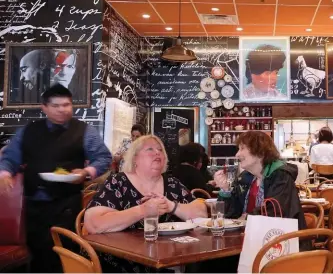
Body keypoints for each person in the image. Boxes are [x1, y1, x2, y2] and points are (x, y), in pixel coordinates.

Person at [0, 84, 112, 273]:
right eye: (56, 105)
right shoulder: (29, 130)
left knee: (65, 255)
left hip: (66, 205)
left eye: (66, 105)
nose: (62, 110)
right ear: (44, 108)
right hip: (34, 205)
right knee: (38, 256)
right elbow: (11, 157)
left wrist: (87, 172)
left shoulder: (84, 131)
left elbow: (103, 157)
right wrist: (5, 173)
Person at [84, 135, 207, 272]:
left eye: (160, 150)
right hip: (119, 263)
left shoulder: (172, 183)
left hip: (165, 261)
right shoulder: (118, 182)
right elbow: (93, 223)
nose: (157, 153)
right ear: (135, 158)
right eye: (150, 149)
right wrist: (143, 210)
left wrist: (171, 206)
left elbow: (201, 213)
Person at [213, 131, 306, 229]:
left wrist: (247, 217)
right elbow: (230, 214)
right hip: (248, 236)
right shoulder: (245, 178)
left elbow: (275, 211)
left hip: (279, 239)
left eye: (242, 148)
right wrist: (225, 189)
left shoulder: (281, 176)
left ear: (260, 152)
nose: (237, 154)